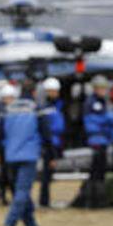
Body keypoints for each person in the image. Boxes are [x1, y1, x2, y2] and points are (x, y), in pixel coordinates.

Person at [0, 95, 54, 226]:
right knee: (22, 191)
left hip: (11, 156)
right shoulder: (36, 109)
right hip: (29, 155)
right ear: (33, 92)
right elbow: (47, 134)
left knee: (19, 190)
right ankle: (10, 222)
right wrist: (52, 155)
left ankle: (30, 222)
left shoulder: (7, 110)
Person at [39, 77, 65, 207]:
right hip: (48, 142)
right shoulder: (44, 108)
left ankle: (46, 199)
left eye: (55, 91)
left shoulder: (59, 105)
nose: (53, 93)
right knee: (46, 173)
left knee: (50, 173)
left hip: (57, 141)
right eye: (50, 91)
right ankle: (44, 201)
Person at [83, 75, 113, 182]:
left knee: (102, 168)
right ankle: (94, 193)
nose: (103, 90)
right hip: (96, 139)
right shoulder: (91, 102)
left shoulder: (104, 102)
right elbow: (91, 122)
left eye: (104, 88)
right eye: (100, 88)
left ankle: (99, 193)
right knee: (96, 168)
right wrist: (106, 121)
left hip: (104, 139)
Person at [0, 84, 19, 205]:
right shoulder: (1, 113)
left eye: (10, 98)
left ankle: (15, 197)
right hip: (4, 148)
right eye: (5, 98)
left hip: (14, 148)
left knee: (13, 174)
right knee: (3, 174)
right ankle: (3, 197)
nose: (7, 100)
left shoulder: (18, 112)